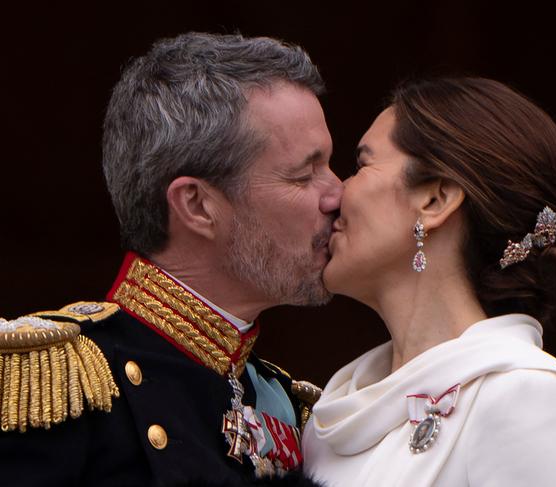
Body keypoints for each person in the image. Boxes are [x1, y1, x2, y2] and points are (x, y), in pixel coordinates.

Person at [0, 32, 341, 486]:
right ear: (197, 205)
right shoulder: (52, 384)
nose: (338, 194)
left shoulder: (284, 403)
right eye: (304, 175)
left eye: (330, 166)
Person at [302, 77, 556, 486]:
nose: (335, 194)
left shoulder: (523, 397)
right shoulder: (332, 415)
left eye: (362, 165)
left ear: (435, 201)